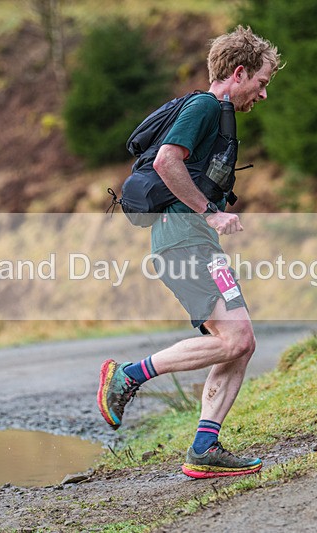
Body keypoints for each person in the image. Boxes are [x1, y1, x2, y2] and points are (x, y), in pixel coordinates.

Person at [98, 26, 281, 479]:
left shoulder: (220, 116)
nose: (262, 94)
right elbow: (166, 161)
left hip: (198, 242)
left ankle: (204, 446)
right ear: (239, 73)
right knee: (236, 339)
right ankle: (128, 375)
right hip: (182, 239)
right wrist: (210, 212)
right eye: (261, 82)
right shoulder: (204, 107)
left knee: (239, 344)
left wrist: (210, 216)